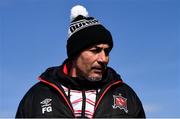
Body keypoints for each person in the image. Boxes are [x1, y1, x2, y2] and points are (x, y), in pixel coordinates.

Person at [16, 5, 145, 118]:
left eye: (107, 52)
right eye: (96, 50)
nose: (103, 59)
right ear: (75, 53)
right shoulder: (36, 97)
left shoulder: (127, 96)